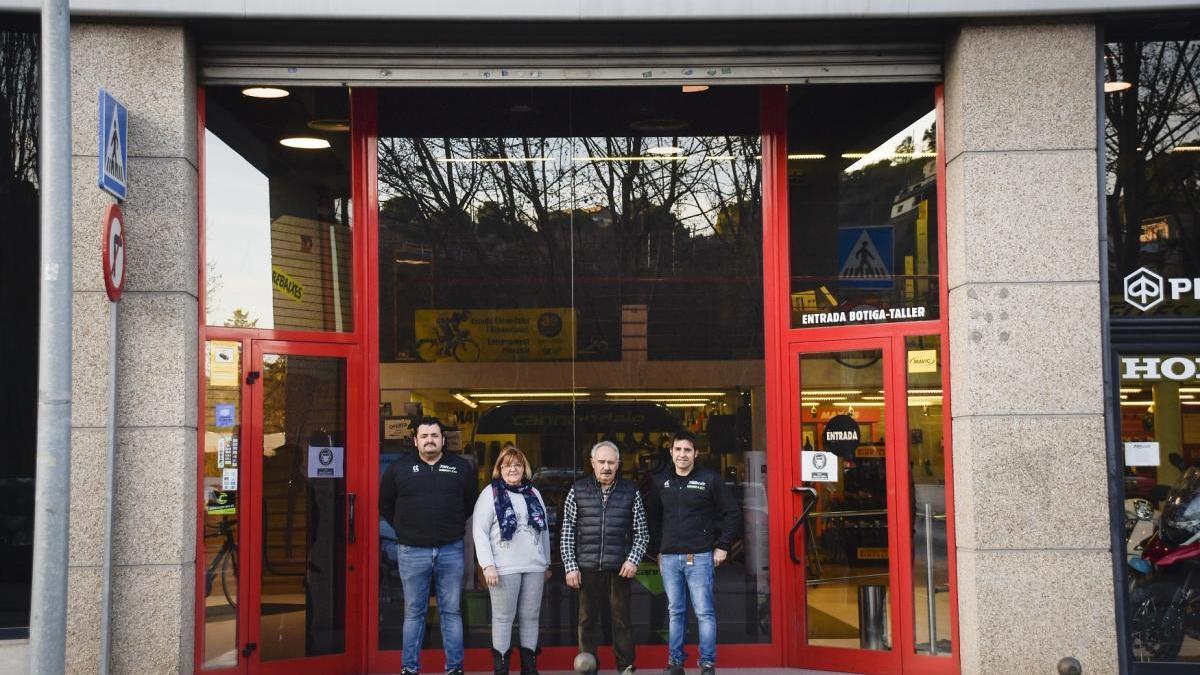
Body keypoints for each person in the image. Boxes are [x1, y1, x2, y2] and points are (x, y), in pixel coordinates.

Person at [379, 417, 479, 675]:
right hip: (412, 551)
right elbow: (386, 506)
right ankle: (410, 668)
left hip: (451, 550)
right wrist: (405, 531)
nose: (430, 440)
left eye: (434, 435)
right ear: (415, 441)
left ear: (443, 440)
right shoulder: (399, 469)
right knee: (414, 612)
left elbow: (469, 504)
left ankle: (454, 668)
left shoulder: (460, 468)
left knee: (451, 611)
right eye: (424, 436)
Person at [647, 430, 742, 675]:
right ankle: (675, 662)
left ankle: (707, 664)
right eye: (677, 449)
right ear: (671, 452)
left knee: (704, 612)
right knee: (675, 611)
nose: (682, 454)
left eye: (687, 450)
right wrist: (658, 549)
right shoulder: (661, 482)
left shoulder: (709, 480)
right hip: (669, 558)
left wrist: (722, 545)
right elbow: (652, 518)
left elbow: (732, 512)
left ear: (696, 453)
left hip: (700, 557)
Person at [561, 440, 650, 675]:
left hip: (620, 567)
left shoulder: (631, 491)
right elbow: (567, 532)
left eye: (611, 462)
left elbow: (642, 533)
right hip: (586, 568)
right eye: (601, 462)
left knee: (621, 621)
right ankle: (587, 668)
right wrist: (570, 566)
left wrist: (633, 559)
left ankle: (626, 667)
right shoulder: (577, 490)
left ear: (619, 464)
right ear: (592, 463)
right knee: (586, 621)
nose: (606, 467)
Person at [472, 444, 552, 675]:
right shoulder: (490, 494)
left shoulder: (533, 493)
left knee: (530, 616)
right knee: (503, 618)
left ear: (524, 467)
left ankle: (529, 668)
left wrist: (545, 563)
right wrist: (487, 565)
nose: (513, 469)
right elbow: (479, 532)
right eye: (507, 465)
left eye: (517, 465)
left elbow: (544, 530)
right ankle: (502, 669)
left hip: (534, 566)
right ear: (499, 469)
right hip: (503, 567)